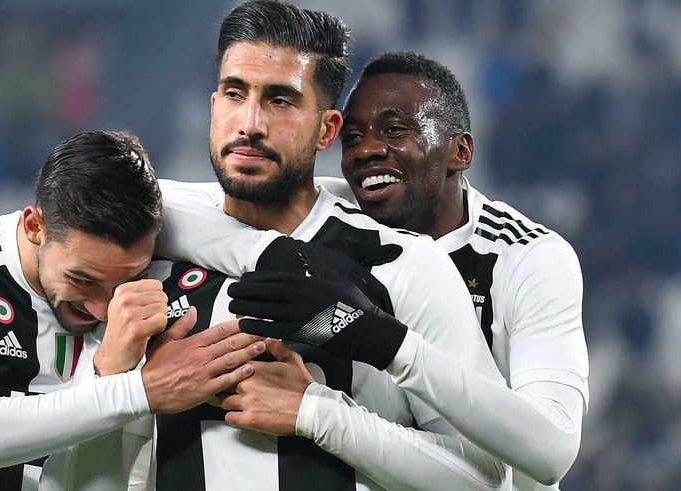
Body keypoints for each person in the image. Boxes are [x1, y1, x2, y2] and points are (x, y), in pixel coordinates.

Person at [45, 1, 511, 490]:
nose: (250, 123)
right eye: (234, 93)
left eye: (280, 101)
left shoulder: (403, 266)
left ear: (327, 129)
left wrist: (320, 415)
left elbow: (485, 478)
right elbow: (66, 480)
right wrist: (110, 377)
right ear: (212, 107)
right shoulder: (137, 259)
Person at [174, 51, 589, 490]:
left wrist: (371, 341)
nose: (367, 150)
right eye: (352, 138)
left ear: (460, 151)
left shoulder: (526, 258)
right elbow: (166, 203)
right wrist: (267, 251)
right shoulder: (337, 215)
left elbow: (552, 451)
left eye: (395, 130)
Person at [0, 130, 265, 490]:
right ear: (35, 227)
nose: (102, 309)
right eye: (82, 279)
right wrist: (139, 390)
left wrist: (112, 375)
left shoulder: (136, 307)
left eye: (124, 281)